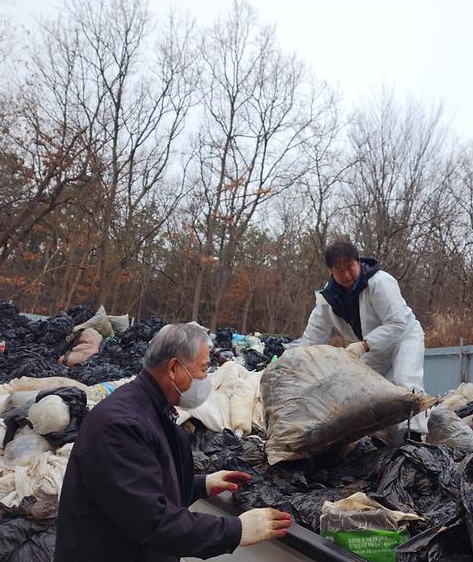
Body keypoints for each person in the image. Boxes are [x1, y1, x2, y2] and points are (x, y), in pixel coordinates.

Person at [54, 323, 291, 562]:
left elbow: (144, 485)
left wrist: (201, 485)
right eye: (203, 369)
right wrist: (236, 530)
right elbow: (152, 521)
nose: (206, 378)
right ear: (174, 368)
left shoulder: (152, 409)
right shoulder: (120, 427)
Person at [298, 240, 429, 434]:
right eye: (339, 269)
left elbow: (396, 322)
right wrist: (299, 361)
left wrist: (364, 345)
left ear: (358, 262)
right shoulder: (329, 296)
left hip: (403, 338)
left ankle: (414, 436)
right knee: (358, 389)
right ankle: (378, 436)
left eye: (349, 266)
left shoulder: (380, 282)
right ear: (331, 271)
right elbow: (314, 332)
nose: (346, 274)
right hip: (372, 348)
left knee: (405, 382)